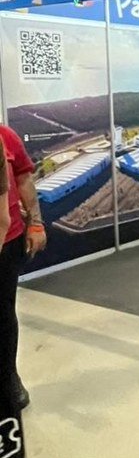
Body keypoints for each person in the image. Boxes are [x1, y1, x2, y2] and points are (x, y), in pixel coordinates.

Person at [0, 124, 47, 411]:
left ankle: (8, 378)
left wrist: (36, 223)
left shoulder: (5, 137)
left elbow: (24, 179)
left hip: (8, 242)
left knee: (4, 314)